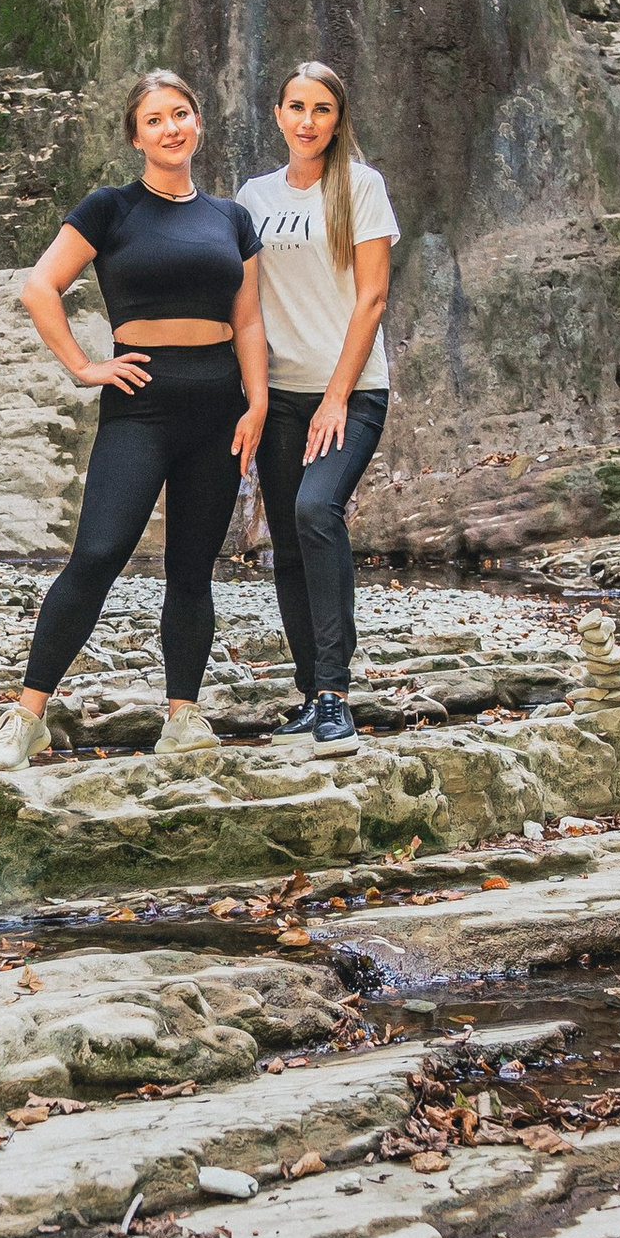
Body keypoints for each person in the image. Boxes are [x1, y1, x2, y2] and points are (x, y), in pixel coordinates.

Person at [0, 69, 268, 767]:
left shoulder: (230, 218)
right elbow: (39, 286)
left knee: (193, 567)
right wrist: (84, 366)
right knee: (99, 554)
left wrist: (257, 401)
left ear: (198, 122)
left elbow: (249, 318)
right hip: (141, 403)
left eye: (182, 114)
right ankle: (26, 716)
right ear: (137, 136)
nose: (172, 128)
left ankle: (183, 716)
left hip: (220, 404)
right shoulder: (111, 208)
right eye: (156, 119)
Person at [236, 60, 396, 746]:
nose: (308, 121)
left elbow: (373, 298)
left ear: (338, 118)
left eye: (322, 109)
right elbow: (242, 303)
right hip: (278, 395)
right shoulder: (252, 197)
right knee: (291, 543)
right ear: (278, 114)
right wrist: (251, 396)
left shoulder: (360, 187)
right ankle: (310, 694)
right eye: (296, 107)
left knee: (314, 510)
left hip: (350, 393)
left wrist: (336, 397)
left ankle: (335, 693)